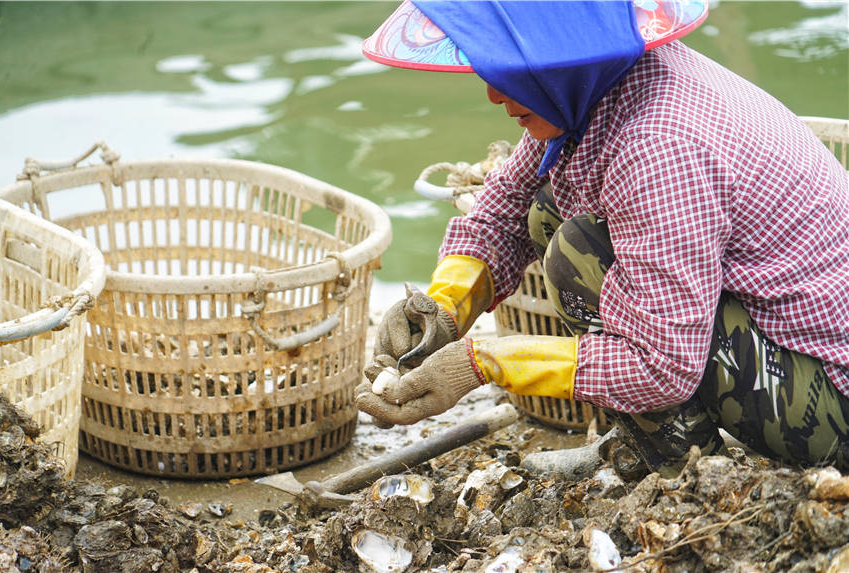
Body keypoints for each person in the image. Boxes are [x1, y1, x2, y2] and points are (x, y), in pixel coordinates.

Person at [356, 0, 849, 477]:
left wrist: (483, 363)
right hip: (765, 325)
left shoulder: (656, 149)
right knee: (547, 207)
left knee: (577, 254)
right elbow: (504, 206)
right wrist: (441, 310)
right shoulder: (593, 82)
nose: (491, 93)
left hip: (830, 394)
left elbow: (663, 365)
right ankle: (647, 438)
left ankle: (687, 469)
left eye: (507, 70)